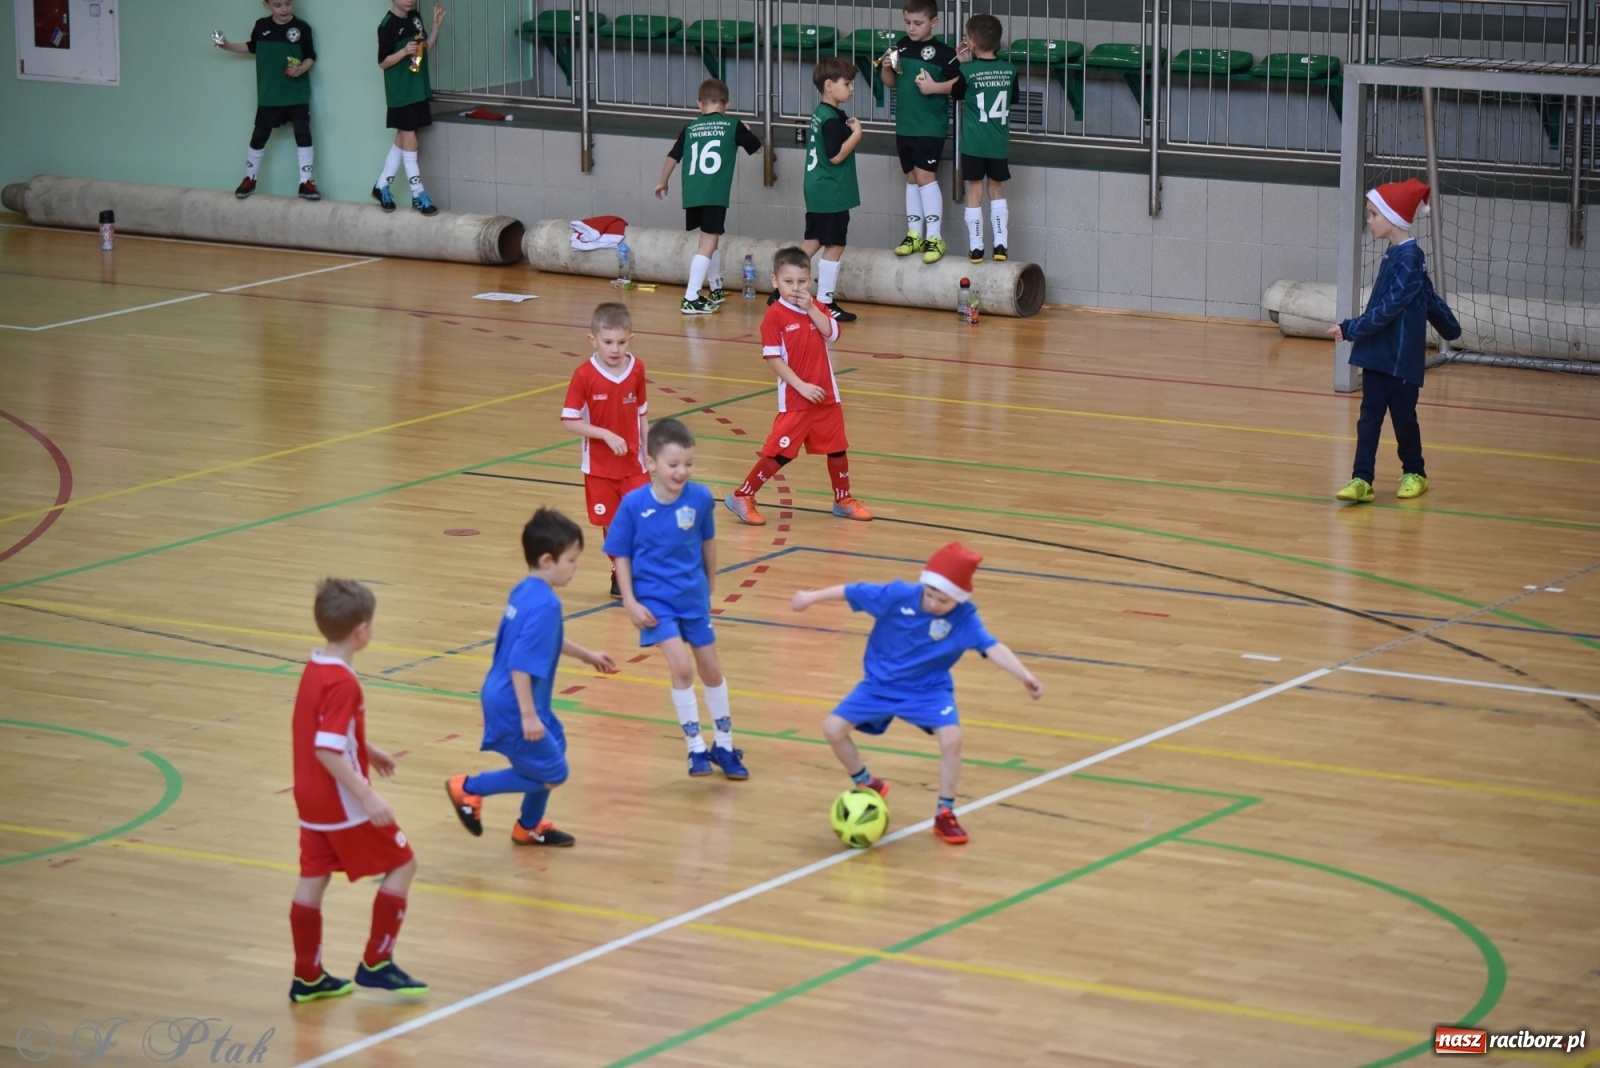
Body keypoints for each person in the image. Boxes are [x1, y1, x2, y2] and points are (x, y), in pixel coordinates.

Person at [791, 543, 1042, 845]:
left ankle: (945, 814)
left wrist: (1025, 676)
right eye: (931, 595)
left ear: (959, 598)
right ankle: (866, 781)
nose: (935, 604)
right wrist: (810, 597)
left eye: (944, 600)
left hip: (928, 689)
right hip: (879, 686)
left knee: (952, 739)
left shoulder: (964, 618)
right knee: (832, 729)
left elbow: (992, 647)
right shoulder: (897, 595)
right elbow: (852, 591)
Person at [289, 578, 426, 1002]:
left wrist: (367, 749)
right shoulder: (345, 683)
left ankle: (307, 975)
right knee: (403, 863)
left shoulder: (316, 667)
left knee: (313, 878)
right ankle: (376, 963)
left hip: (309, 798)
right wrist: (367, 795)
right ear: (362, 630)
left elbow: (327, 730)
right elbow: (327, 750)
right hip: (341, 800)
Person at [445, 509, 617, 847]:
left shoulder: (526, 591)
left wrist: (587, 656)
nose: (576, 567)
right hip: (514, 702)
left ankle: (529, 825)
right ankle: (468, 789)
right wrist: (527, 714)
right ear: (547, 559)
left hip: (514, 697)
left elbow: (543, 639)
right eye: (572, 560)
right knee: (553, 772)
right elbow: (521, 662)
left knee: (557, 745)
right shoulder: (545, 605)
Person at [605, 418, 748, 780]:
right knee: (682, 668)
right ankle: (695, 748)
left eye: (688, 464)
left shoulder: (700, 498)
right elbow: (620, 554)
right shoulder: (634, 505)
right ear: (651, 463)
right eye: (673, 464)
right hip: (656, 604)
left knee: (711, 669)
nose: (681, 471)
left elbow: (708, 542)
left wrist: (710, 582)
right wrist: (631, 602)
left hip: (693, 599)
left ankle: (725, 745)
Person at [1328, 177, 1461, 503]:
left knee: (1403, 419)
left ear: (1394, 218)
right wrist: (1451, 329)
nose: (1369, 221)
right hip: (1376, 356)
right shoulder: (1395, 256)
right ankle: (1362, 479)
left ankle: (1414, 471)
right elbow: (1427, 298)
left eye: (1374, 215)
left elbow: (1390, 307)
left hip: (1400, 359)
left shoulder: (1410, 259)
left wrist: (1351, 328)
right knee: (1369, 418)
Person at [726, 247, 872, 527]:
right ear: (774, 281)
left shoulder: (816, 307)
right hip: (796, 398)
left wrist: (810, 308)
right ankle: (742, 495)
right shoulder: (775, 316)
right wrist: (801, 386)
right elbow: (772, 358)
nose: (796, 288)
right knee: (781, 452)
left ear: (810, 280)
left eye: (802, 282)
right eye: (789, 282)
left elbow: (833, 334)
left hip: (826, 394)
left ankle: (842, 499)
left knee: (837, 448)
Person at [561, 302, 649, 598]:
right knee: (611, 525)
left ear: (630, 339)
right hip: (599, 468)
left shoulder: (636, 369)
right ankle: (619, 572)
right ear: (593, 339)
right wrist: (606, 435)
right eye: (608, 342)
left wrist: (648, 453)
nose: (615, 349)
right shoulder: (584, 375)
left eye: (621, 342)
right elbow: (569, 421)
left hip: (635, 466)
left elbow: (642, 413)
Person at [654, 79, 763, 315]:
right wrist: (747, 131)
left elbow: (673, 156)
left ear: (698, 103)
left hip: (692, 191)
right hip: (714, 192)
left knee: (710, 239)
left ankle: (714, 288)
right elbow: (757, 148)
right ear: (727, 104)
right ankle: (690, 297)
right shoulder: (732, 125)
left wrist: (663, 181)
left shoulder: (690, 128)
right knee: (708, 242)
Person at [879, 0, 962, 264]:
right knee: (912, 176)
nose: (911, 28)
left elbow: (961, 85)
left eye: (918, 23)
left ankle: (934, 237)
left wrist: (934, 88)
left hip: (930, 126)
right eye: (907, 22)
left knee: (926, 176)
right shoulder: (899, 46)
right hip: (905, 125)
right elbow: (890, 83)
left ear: (933, 23)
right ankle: (914, 234)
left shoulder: (944, 53)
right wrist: (885, 69)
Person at [214, 0, 320, 201]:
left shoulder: (302, 28)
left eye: (288, 4)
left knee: (303, 134)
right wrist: (226, 45)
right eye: (278, 5)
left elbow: (310, 57)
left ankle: (306, 182)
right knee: (259, 136)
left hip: (296, 93)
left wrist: (300, 70)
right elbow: (252, 47)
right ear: (267, 5)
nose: (284, 9)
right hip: (269, 95)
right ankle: (249, 178)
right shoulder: (262, 26)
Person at [799, 56, 864, 323]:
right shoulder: (830, 120)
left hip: (818, 188)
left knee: (813, 240)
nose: (851, 89)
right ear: (828, 85)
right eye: (847, 84)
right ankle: (825, 303)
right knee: (835, 244)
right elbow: (836, 155)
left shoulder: (822, 113)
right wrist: (857, 134)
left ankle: (781, 290)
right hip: (830, 191)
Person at [373, 0, 446, 216]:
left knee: (402, 138)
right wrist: (404, 51)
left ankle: (381, 185)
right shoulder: (386, 25)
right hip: (401, 92)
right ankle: (417, 194)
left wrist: (435, 27)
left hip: (417, 88)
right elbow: (383, 62)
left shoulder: (416, 18)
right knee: (410, 137)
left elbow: (426, 49)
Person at [955, 15, 1016, 263]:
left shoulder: (967, 71)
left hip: (973, 143)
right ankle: (1001, 245)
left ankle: (976, 247)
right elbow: (1014, 99)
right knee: (996, 188)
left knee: (975, 191)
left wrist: (963, 64)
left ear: (970, 43)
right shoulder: (1011, 70)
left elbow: (957, 95)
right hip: (998, 142)